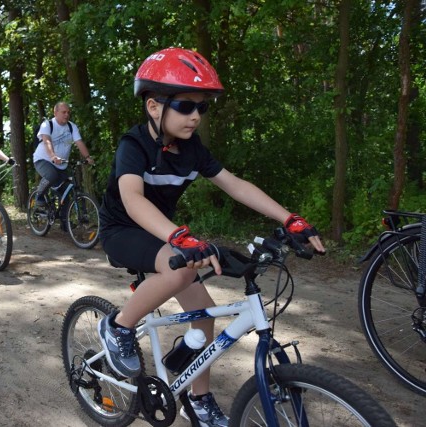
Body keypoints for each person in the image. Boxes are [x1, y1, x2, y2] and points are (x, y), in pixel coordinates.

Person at [97, 47, 326, 427]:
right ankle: (118, 326)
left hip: (165, 236)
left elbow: (234, 184)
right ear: (154, 106)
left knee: (204, 318)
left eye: (202, 108)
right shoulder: (133, 145)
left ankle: (198, 399)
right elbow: (133, 200)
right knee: (183, 270)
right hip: (124, 231)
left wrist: (289, 219)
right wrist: (179, 238)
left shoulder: (192, 150)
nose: (196, 116)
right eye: (186, 106)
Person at [32, 102, 94, 208]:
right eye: (64, 112)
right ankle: (39, 195)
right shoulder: (47, 124)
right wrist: (52, 156)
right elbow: (47, 141)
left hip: (61, 164)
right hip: (43, 160)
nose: (67, 115)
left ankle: (65, 223)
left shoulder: (71, 126)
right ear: (55, 113)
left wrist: (87, 157)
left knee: (66, 194)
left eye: (68, 112)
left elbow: (79, 142)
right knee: (51, 175)